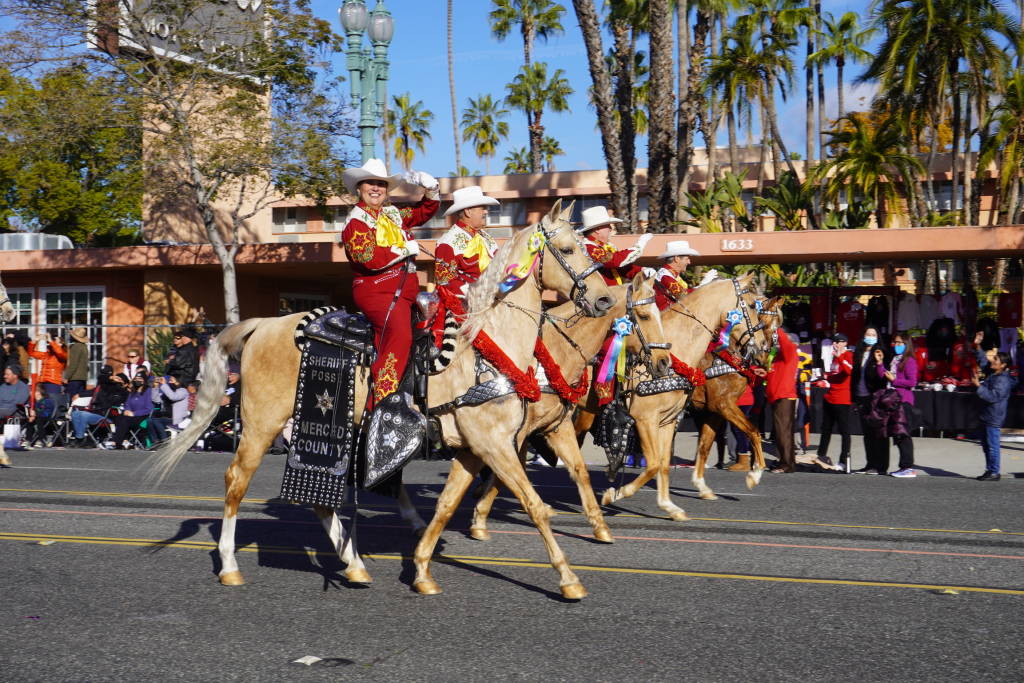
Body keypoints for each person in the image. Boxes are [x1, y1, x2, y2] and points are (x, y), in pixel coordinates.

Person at [340, 158, 439, 408]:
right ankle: (382, 403)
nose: (376, 188)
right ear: (359, 188)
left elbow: (422, 213)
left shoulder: (393, 214)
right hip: (377, 291)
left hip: (405, 291)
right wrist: (404, 248)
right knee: (400, 335)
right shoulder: (356, 222)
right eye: (370, 183)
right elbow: (368, 258)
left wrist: (432, 190)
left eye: (381, 184)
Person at [434, 186, 500, 299]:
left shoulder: (487, 238)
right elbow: (445, 283)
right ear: (468, 212)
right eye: (482, 208)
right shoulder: (448, 243)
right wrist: (476, 294)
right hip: (466, 309)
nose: (486, 211)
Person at [578, 205, 652, 286]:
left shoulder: (602, 247)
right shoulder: (588, 248)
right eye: (607, 226)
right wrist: (638, 247)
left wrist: (642, 271)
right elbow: (614, 262)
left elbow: (622, 269)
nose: (610, 228)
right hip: (601, 297)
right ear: (597, 230)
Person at [879, 331, 919, 477]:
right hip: (894, 401)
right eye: (895, 343)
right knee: (897, 434)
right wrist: (879, 364)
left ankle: (908, 466)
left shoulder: (909, 360)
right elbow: (885, 375)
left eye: (899, 343)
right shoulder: (895, 359)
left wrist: (895, 380)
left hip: (904, 401)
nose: (896, 345)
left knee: (903, 434)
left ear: (906, 344)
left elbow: (912, 381)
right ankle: (904, 467)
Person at [972, 351, 1017, 481]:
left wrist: (978, 386)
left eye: (996, 359)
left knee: (992, 445)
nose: (993, 360)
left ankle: (994, 472)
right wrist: (978, 345)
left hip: (994, 416)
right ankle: (990, 469)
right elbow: (984, 362)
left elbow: (993, 397)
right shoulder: (994, 374)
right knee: (986, 445)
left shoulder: (1003, 380)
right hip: (986, 415)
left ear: (1003, 365)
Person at [851, 327, 890, 474]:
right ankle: (870, 463)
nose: (870, 337)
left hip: (875, 397)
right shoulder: (859, 352)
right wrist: (853, 398)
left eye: (873, 335)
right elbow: (854, 376)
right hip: (861, 397)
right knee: (867, 433)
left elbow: (883, 375)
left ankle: (881, 466)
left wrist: (879, 362)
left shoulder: (880, 352)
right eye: (868, 334)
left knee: (879, 432)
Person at [816, 332, 853, 470]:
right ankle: (821, 456)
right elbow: (834, 375)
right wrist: (824, 378)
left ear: (845, 343)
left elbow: (849, 371)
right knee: (825, 429)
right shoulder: (834, 357)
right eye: (834, 342)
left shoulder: (848, 355)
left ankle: (844, 461)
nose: (835, 344)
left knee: (844, 431)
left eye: (838, 341)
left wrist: (841, 357)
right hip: (830, 398)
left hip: (843, 400)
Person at [68, 368, 129, 448]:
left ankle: (80, 439)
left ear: (125, 383)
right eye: (116, 379)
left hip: (106, 416)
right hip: (96, 412)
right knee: (75, 414)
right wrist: (111, 378)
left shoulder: (125, 393)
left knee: (83, 415)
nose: (118, 381)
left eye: (120, 380)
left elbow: (119, 407)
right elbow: (100, 378)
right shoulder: (108, 388)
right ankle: (80, 437)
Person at [767, 330, 800, 473]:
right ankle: (787, 462)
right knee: (783, 431)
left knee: (783, 432)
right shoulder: (779, 357)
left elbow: (786, 342)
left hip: (784, 396)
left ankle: (786, 464)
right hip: (779, 396)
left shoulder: (790, 350)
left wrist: (776, 328)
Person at [108, 370, 154, 449]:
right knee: (119, 417)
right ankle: (125, 441)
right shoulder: (133, 392)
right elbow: (127, 404)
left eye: (140, 379)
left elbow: (149, 409)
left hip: (142, 416)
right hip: (130, 416)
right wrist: (127, 410)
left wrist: (134, 413)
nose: (137, 380)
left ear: (144, 380)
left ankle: (115, 442)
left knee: (125, 420)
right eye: (136, 379)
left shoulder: (148, 391)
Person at [653, 240, 700, 310]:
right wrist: (704, 286)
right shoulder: (665, 276)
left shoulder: (669, 274)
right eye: (687, 259)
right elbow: (685, 296)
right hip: (665, 318)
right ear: (677, 259)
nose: (689, 262)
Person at [149, 374, 190, 446]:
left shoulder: (183, 391)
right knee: (150, 421)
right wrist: (155, 387)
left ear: (178, 382)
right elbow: (156, 400)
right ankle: (155, 442)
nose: (169, 382)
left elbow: (173, 397)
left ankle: (164, 441)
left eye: (171, 380)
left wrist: (164, 385)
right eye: (169, 380)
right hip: (166, 417)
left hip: (176, 420)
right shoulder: (168, 391)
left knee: (156, 421)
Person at [0, 366, 29, 466]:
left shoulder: (23, 387)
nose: (4, 376)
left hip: (16, 411)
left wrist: (4, 411)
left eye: (7, 374)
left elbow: (18, 403)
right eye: (5, 374)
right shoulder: (3, 387)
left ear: (15, 375)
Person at [28, 330, 67, 398]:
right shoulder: (46, 354)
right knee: (41, 404)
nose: (52, 342)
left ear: (61, 343)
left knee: (51, 404)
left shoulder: (63, 354)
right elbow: (31, 353)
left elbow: (59, 352)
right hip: (42, 382)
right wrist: (35, 341)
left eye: (55, 340)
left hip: (53, 384)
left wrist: (51, 341)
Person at [65, 327, 90, 399]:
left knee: (72, 400)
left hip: (74, 378)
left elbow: (73, 364)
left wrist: (67, 377)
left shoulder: (76, 347)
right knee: (80, 401)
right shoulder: (84, 347)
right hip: (83, 378)